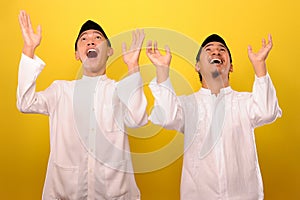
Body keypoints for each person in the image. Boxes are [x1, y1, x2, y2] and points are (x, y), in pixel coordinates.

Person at [17, 10, 147, 200]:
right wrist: (29, 49)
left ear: (109, 51)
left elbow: (138, 119)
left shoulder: (120, 91)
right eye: (84, 39)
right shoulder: (60, 90)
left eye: (97, 37)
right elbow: (25, 103)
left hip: (114, 194)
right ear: (77, 54)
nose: (91, 41)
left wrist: (133, 67)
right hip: (65, 193)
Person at [146, 34, 282, 199]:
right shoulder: (187, 105)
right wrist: (162, 70)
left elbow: (267, 111)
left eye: (221, 50)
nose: (216, 52)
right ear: (197, 66)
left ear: (230, 66)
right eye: (208, 50)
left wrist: (259, 65)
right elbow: (167, 117)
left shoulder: (244, 102)